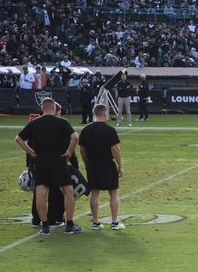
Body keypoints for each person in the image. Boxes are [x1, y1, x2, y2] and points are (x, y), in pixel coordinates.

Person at [15, 97, 83, 235]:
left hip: (41, 161)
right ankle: (69, 225)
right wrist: (69, 152)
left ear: (42, 108)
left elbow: (19, 139)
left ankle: (45, 226)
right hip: (59, 160)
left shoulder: (35, 123)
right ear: (54, 108)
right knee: (68, 192)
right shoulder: (62, 122)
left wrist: (31, 152)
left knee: (41, 193)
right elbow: (75, 137)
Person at [79, 103, 124, 231]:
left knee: (95, 192)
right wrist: (120, 166)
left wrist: (87, 163)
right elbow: (116, 149)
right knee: (113, 193)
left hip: (92, 163)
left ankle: (95, 222)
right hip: (107, 163)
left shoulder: (86, 129)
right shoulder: (109, 129)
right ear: (105, 114)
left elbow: (82, 150)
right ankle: (114, 222)